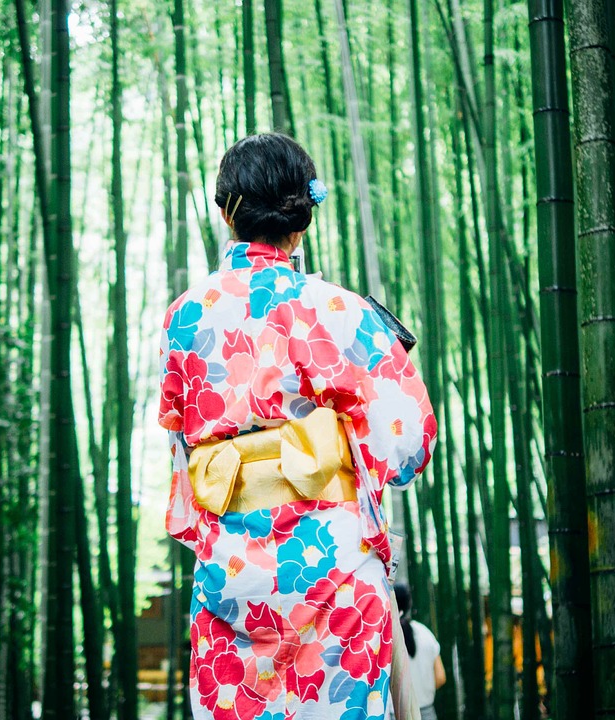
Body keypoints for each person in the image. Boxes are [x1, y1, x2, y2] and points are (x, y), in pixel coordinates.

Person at [158, 133, 437, 720]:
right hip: (334, 569)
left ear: (226, 210)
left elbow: (183, 446)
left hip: (229, 574)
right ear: (302, 218)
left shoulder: (183, 317)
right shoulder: (338, 309)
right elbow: (410, 443)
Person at [393, 584, 446, 720]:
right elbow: (440, 677)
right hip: (426, 713)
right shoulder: (425, 633)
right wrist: (421, 692)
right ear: (409, 604)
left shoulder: (384, 637)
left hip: (395, 714)